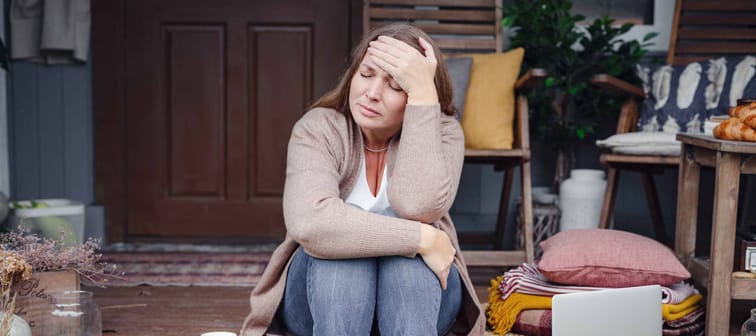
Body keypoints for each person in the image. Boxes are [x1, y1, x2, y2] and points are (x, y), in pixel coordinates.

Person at [240, 22, 485, 336]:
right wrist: (424, 240)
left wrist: (424, 96)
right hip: (318, 306)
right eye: (366, 74)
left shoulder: (443, 132)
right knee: (342, 254)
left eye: (396, 86)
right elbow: (311, 222)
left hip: (418, 305)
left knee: (406, 263)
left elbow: (417, 205)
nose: (372, 93)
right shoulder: (318, 128)